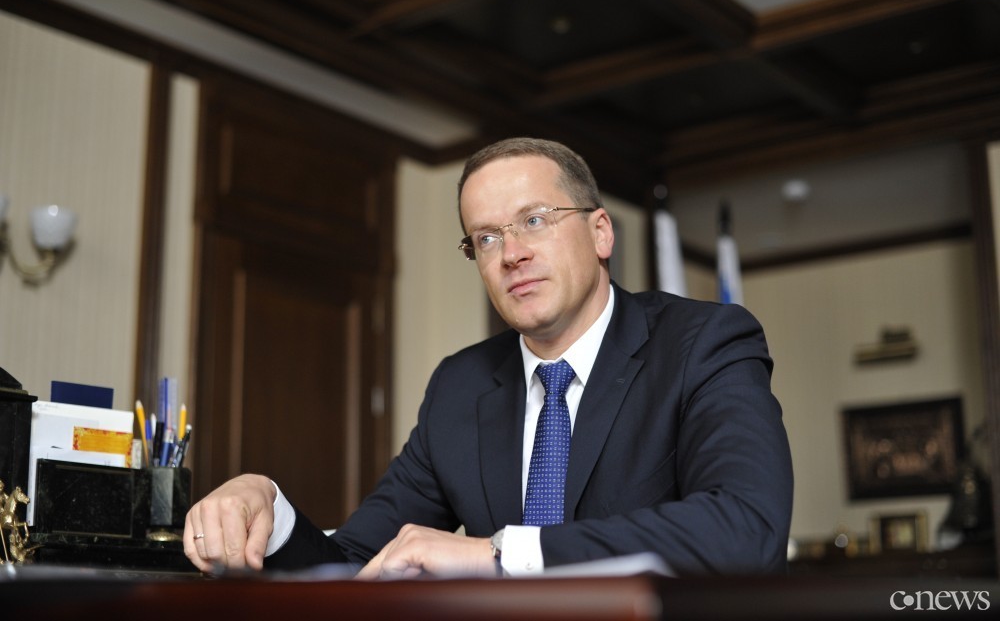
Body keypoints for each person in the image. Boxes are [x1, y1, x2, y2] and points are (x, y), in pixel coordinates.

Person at [184, 137, 793, 578]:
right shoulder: (461, 385)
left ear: (601, 232)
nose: (511, 254)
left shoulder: (703, 343)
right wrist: (269, 507)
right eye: (487, 237)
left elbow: (746, 529)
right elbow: (354, 565)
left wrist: (497, 555)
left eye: (535, 220)